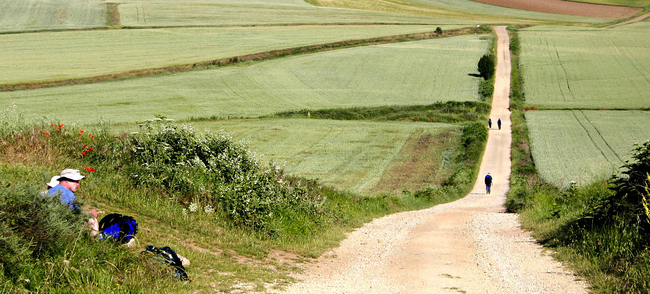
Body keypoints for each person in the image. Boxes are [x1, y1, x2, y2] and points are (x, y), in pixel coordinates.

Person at [47, 169, 99, 236]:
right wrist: (89, 213)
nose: (78, 184)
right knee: (92, 220)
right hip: (60, 224)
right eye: (76, 181)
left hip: (52, 221)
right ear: (67, 181)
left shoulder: (54, 189)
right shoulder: (66, 193)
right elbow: (71, 213)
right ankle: (93, 241)